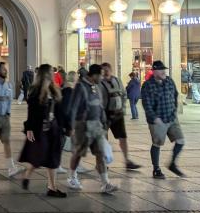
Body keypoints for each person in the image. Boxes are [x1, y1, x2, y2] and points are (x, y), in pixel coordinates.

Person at [67, 64, 117, 194]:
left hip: (96, 125)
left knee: (100, 153)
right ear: (93, 75)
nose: (102, 77)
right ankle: (72, 177)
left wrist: (104, 120)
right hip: (82, 126)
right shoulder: (80, 86)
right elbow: (73, 107)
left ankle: (105, 183)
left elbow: (99, 106)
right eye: (100, 74)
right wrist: (71, 126)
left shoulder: (96, 86)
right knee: (78, 153)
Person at [19, 64, 67, 198]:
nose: (53, 74)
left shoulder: (54, 89)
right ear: (45, 74)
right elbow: (31, 112)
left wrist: (64, 127)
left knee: (52, 158)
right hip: (40, 129)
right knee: (38, 157)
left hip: (53, 128)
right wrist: (29, 128)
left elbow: (59, 111)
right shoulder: (35, 90)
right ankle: (27, 175)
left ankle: (52, 187)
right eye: (51, 72)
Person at [141, 60, 184, 179]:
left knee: (180, 140)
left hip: (171, 117)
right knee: (157, 144)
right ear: (154, 71)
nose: (163, 71)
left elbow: (175, 95)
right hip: (158, 120)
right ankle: (156, 169)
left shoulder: (169, 80)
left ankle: (172, 163)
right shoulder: (147, 85)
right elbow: (147, 104)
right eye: (160, 69)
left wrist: (175, 110)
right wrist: (155, 118)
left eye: (164, 69)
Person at [100, 63, 140, 171]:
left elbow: (123, 94)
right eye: (103, 70)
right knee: (104, 138)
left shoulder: (117, 80)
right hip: (105, 115)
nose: (106, 71)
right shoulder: (99, 83)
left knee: (123, 138)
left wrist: (122, 108)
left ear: (111, 70)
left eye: (107, 69)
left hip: (118, 114)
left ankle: (127, 161)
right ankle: (104, 162)